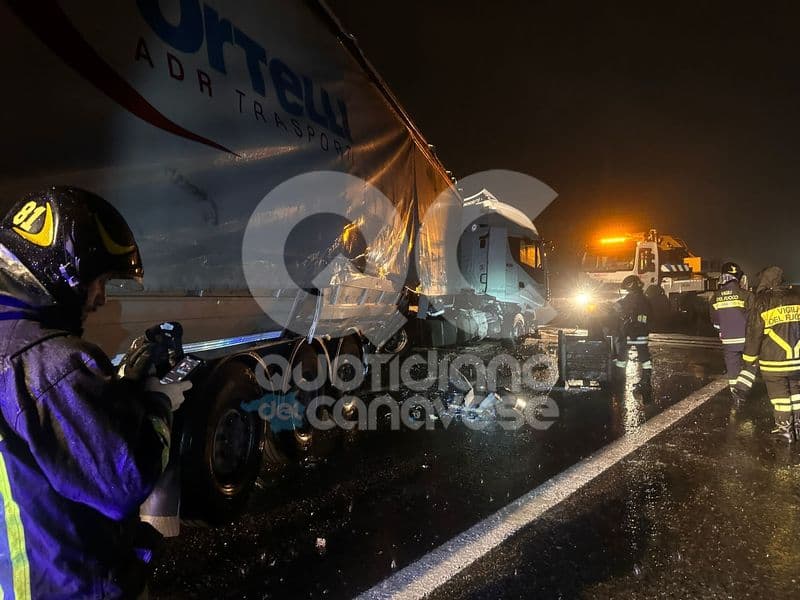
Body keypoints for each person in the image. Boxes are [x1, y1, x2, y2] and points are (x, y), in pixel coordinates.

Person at [0, 187, 191, 597]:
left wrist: (118, 388)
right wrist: (159, 401)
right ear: (65, 272)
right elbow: (124, 481)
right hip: (72, 585)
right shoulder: (51, 363)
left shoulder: (14, 349)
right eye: (100, 281)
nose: (101, 298)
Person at [738, 266, 800, 442]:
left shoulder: (763, 301)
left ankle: (785, 430)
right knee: (796, 393)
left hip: (774, 362)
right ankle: (798, 426)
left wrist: (749, 358)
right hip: (797, 361)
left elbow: (754, 332)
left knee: (780, 396)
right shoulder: (797, 297)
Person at [709, 261, 753, 394]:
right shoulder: (747, 295)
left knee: (733, 369)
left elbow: (715, 321)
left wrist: (721, 331)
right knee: (752, 364)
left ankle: (736, 396)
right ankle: (742, 387)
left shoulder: (715, 297)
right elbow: (754, 318)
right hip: (747, 339)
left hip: (728, 340)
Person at [612, 274, 653, 400]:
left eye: (627, 289)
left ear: (631, 286)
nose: (627, 292)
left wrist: (634, 328)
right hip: (637, 333)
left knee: (624, 356)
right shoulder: (641, 298)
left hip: (634, 333)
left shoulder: (637, 299)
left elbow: (622, 306)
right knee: (642, 357)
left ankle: (619, 379)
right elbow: (620, 305)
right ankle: (645, 380)